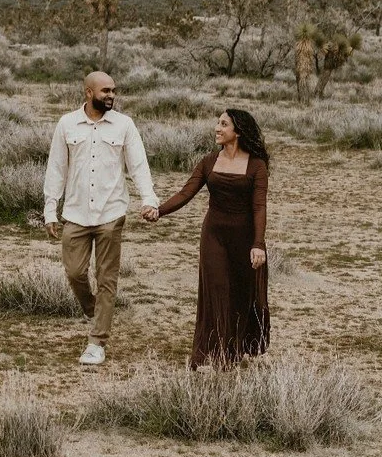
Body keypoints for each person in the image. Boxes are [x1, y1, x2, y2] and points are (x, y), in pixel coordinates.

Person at [43, 70, 159, 366]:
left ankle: (97, 341)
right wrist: (49, 208)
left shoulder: (124, 125)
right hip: (76, 214)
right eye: (105, 90)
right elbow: (56, 168)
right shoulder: (67, 124)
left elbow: (138, 165)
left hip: (111, 213)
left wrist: (149, 198)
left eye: (113, 90)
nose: (111, 95)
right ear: (88, 92)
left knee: (107, 279)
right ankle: (94, 310)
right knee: (74, 272)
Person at [146, 107, 270, 368]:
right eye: (218, 123)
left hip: (245, 238)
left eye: (224, 124)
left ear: (238, 131)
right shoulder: (209, 161)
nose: (217, 128)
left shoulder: (257, 166)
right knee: (215, 291)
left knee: (239, 293)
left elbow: (259, 206)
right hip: (213, 235)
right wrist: (159, 211)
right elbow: (185, 193)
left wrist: (258, 244)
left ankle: (232, 352)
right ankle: (208, 354)